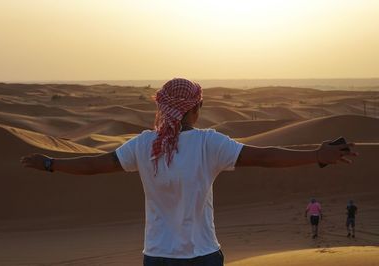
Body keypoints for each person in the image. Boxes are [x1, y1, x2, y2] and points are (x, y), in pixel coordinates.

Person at [21, 78, 357, 266]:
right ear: (193, 110)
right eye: (200, 104)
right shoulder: (208, 144)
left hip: (157, 257)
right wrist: (317, 156)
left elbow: (97, 164)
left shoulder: (142, 144)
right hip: (201, 257)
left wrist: (52, 165)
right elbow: (265, 157)